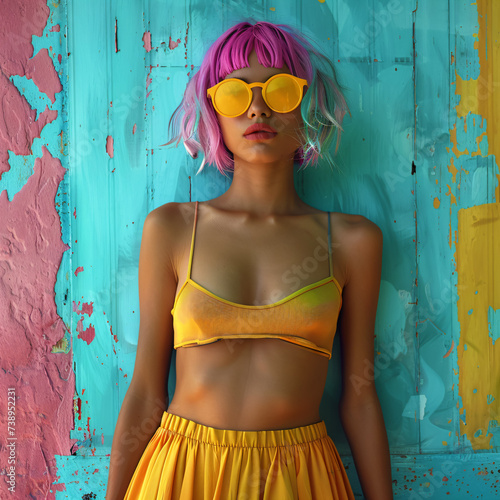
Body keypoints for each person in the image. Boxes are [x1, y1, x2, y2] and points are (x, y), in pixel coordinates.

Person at [106, 20, 393, 500]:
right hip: (182, 473)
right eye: (235, 95)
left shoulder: (353, 241)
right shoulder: (172, 229)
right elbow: (145, 393)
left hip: (301, 479)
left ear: (305, 104)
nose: (257, 107)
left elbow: (359, 396)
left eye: (279, 90)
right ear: (214, 113)